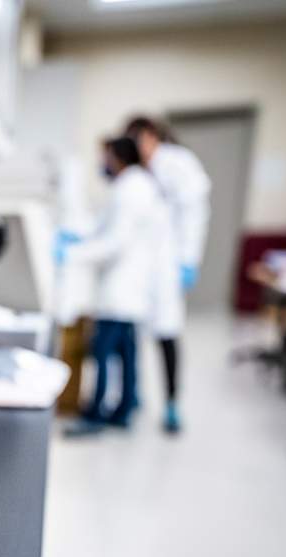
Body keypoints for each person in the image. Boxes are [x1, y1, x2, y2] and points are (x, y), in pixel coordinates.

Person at [63, 136, 174, 436]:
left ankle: (96, 414)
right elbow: (103, 227)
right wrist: (79, 236)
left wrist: (72, 253)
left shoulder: (131, 190)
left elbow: (115, 242)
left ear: (117, 157)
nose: (102, 164)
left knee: (101, 351)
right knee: (126, 354)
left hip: (122, 289)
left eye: (105, 157)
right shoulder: (132, 187)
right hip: (130, 289)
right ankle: (123, 410)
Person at [125, 116, 211, 434]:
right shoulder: (138, 171)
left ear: (151, 135)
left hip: (169, 262)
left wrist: (189, 260)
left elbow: (195, 214)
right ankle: (132, 396)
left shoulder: (178, 162)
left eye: (137, 139)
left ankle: (172, 403)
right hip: (141, 263)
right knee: (132, 332)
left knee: (166, 332)